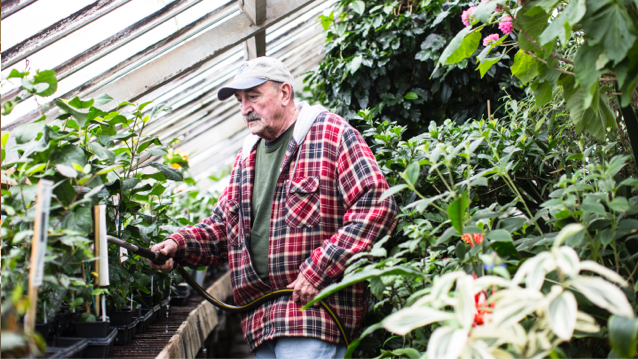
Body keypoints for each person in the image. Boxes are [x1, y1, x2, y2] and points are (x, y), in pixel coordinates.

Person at [148, 57, 398, 359]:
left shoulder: (330, 134)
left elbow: (377, 204)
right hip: (261, 319)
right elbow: (223, 229)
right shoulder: (247, 158)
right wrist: (179, 244)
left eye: (253, 96)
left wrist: (319, 269)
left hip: (313, 312)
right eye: (240, 100)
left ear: (284, 93)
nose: (245, 108)